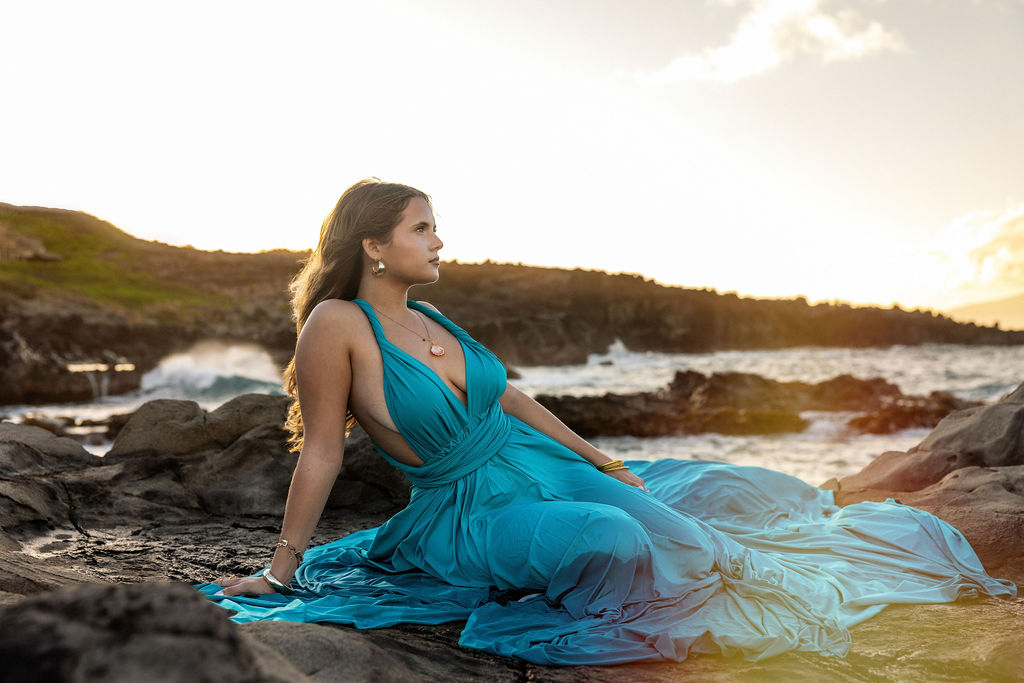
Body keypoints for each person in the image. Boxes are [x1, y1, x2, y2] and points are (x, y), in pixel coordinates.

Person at [199, 179, 1016, 665]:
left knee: (721, 497)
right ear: (374, 244)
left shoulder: (433, 314)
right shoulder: (336, 323)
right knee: (615, 542)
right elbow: (324, 454)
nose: (440, 238)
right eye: (423, 226)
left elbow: (508, 398)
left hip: (538, 465)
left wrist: (597, 454)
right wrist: (280, 571)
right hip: (464, 507)